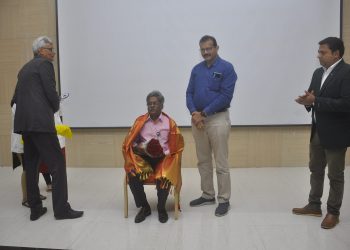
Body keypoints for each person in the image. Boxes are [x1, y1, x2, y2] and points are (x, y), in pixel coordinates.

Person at [12, 36, 83, 221]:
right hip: (41, 124)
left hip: (25, 125)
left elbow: (15, 98)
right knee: (57, 165)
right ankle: (62, 210)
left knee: (32, 167)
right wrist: (53, 108)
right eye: (50, 49)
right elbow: (51, 92)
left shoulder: (24, 69)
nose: (53, 53)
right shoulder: (44, 65)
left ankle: (35, 209)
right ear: (41, 51)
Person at [293, 37, 350, 229]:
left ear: (336, 54)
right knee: (315, 169)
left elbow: (346, 104)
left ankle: (333, 212)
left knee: (335, 174)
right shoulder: (318, 73)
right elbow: (313, 97)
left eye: (322, 52)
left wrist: (316, 101)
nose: (318, 55)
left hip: (336, 133)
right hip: (317, 130)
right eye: (319, 52)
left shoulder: (347, 72)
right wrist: (307, 102)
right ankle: (314, 205)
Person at [186, 35, 237, 217]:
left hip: (217, 119)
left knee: (221, 162)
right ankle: (208, 195)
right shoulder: (196, 70)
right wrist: (194, 113)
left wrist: (204, 113)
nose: (206, 52)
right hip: (198, 120)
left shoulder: (227, 68)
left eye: (209, 48)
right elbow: (189, 93)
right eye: (202, 49)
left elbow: (225, 96)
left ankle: (224, 199)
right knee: (203, 161)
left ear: (217, 48)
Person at [122, 90, 184, 223]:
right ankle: (145, 207)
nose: (152, 106)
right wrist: (139, 147)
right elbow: (130, 142)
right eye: (149, 104)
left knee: (164, 175)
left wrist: (167, 153)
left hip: (163, 158)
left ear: (162, 105)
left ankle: (161, 208)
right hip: (144, 157)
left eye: (155, 103)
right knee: (132, 173)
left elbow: (177, 145)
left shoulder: (169, 123)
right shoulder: (140, 122)